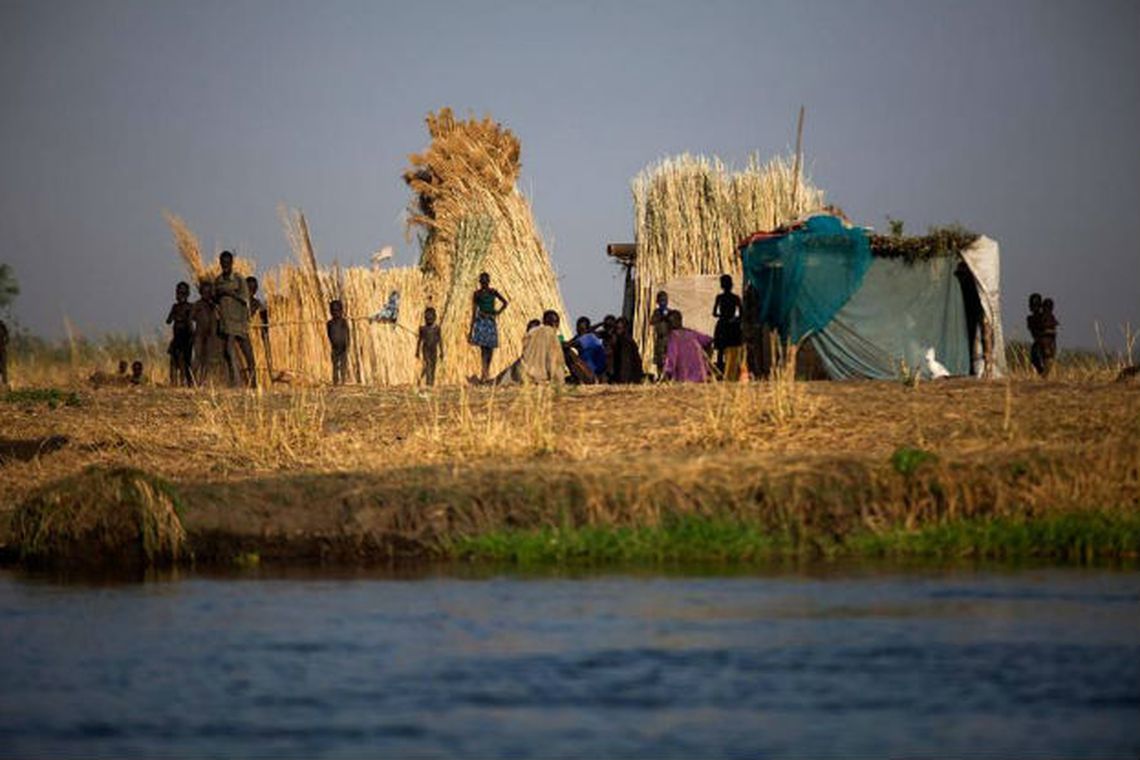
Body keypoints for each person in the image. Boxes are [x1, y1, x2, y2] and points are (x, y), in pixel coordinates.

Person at [213, 251, 256, 388]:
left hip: (240, 322)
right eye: (223, 262)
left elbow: (245, 298)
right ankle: (236, 383)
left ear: (232, 263)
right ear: (220, 263)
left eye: (227, 262)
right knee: (229, 352)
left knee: (248, 354)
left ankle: (253, 383)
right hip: (227, 323)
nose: (225, 265)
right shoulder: (218, 280)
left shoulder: (239, 279)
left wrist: (229, 293)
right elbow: (215, 298)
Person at [469, 272, 508, 383]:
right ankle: (484, 373)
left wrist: (497, 313)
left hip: (490, 321)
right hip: (481, 321)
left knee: (490, 348)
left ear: (489, 281)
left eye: (486, 280)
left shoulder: (493, 292)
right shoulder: (477, 294)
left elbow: (505, 303)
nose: (484, 283)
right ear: (480, 282)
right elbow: (474, 311)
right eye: (482, 281)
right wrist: (471, 329)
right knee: (483, 349)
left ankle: (486, 371)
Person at [664, 310, 713, 382]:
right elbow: (709, 340)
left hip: (684, 377)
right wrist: (707, 360)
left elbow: (671, 356)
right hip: (700, 376)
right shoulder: (692, 333)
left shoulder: (673, 336)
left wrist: (667, 372)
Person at [191, 280, 224, 386]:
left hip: (210, 335)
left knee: (206, 359)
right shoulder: (197, 304)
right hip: (199, 335)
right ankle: (192, 380)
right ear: (201, 293)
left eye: (209, 292)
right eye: (205, 292)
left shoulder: (214, 306)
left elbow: (220, 317)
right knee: (197, 357)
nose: (207, 295)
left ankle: (202, 381)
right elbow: (191, 317)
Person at [713, 274, 743, 381]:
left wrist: (722, 316)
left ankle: (721, 372)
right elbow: (741, 313)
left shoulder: (719, 297)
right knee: (731, 349)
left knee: (721, 350)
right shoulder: (735, 298)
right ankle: (731, 371)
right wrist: (734, 319)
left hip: (723, 324)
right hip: (732, 325)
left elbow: (714, 313)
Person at [166, 281, 195, 387]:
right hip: (177, 338)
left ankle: (184, 383)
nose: (180, 296)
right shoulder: (175, 307)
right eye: (178, 293)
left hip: (186, 338)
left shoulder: (190, 307)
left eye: (183, 293)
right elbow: (168, 320)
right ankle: (173, 383)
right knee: (173, 361)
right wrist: (175, 317)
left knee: (184, 362)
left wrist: (184, 318)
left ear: (187, 294)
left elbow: (192, 321)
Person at [246, 275, 272, 374]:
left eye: (253, 288)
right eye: (249, 287)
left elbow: (264, 323)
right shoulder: (239, 304)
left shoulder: (258, 304)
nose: (251, 290)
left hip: (257, 339)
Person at [607, 316, 644, 384]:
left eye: (619, 328)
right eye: (616, 328)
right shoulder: (619, 340)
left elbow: (628, 362)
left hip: (628, 376)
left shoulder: (627, 342)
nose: (617, 331)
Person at [649, 290, 674, 380]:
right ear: (658, 302)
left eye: (664, 300)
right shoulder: (656, 312)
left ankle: (667, 376)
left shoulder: (670, 312)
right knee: (659, 359)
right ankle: (660, 376)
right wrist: (660, 316)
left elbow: (674, 324)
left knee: (668, 358)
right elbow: (652, 322)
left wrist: (668, 317)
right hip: (660, 338)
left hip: (669, 338)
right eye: (661, 300)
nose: (663, 302)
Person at [416, 306, 443, 386]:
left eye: (431, 316)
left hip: (434, 349)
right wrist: (417, 351)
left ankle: (432, 383)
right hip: (426, 349)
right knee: (428, 364)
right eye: (427, 316)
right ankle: (428, 383)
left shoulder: (437, 328)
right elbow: (420, 340)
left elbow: (440, 340)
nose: (429, 318)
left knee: (433, 366)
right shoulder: (422, 329)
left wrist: (441, 352)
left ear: (434, 317)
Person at [327, 299, 350, 385]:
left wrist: (347, 345)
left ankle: (343, 381)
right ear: (330, 312)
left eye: (337, 310)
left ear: (341, 311)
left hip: (343, 347)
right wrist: (333, 343)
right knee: (335, 365)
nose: (335, 312)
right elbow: (329, 334)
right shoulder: (329, 323)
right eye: (333, 310)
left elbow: (347, 333)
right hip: (334, 347)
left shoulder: (343, 322)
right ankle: (335, 382)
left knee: (343, 364)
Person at [1038, 297, 1059, 377]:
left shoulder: (1049, 316)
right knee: (1048, 359)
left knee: (1049, 360)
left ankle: (1044, 375)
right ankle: (1044, 376)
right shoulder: (1044, 316)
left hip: (1050, 340)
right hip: (1046, 340)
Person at [0, 317, 9, 389]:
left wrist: (4, 343)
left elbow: (7, 338)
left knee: (3, 367)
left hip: (2, 349)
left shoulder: (2, 325)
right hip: (2, 349)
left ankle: (4, 383)